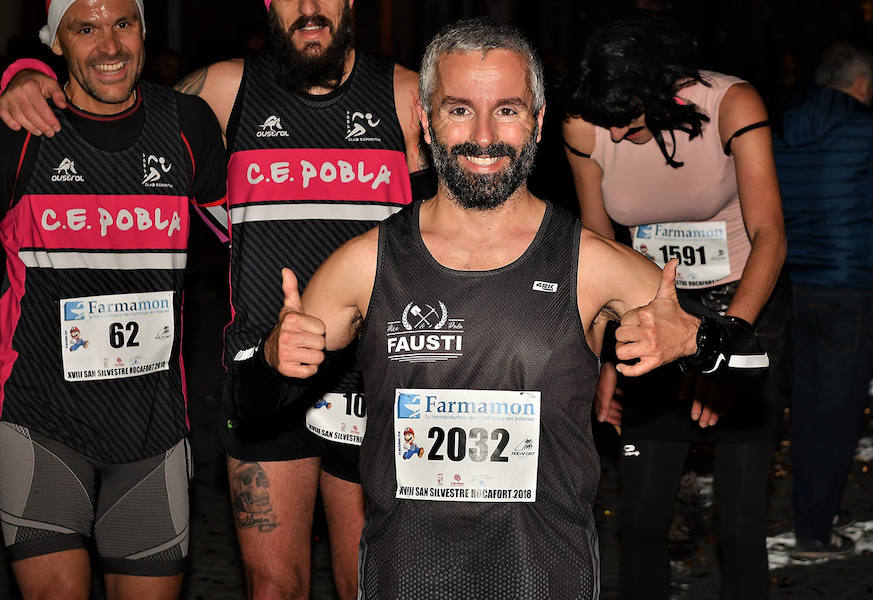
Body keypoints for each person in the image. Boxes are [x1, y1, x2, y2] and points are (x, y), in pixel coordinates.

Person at [231, 17, 769, 598]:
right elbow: (251, 412)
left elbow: (753, 361)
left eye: (507, 110)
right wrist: (269, 360)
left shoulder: (589, 263)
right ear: (426, 122)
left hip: (545, 578)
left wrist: (697, 342)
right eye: (459, 109)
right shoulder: (366, 265)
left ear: (538, 123)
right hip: (405, 579)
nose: (483, 136)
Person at [0, 2, 429, 597]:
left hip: (372, 377)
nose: (309, 8)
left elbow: (469, 199)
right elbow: (116, 106)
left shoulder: (410, 96)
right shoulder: (221, 92)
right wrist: (21, 68)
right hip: (262, 371)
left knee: (372, 584)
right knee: (273, 587)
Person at [0, 1, 226, 598]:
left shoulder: (186, 124)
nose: (109, 46)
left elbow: (248, 235)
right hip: (39, 424)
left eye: (123, 23)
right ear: (56, 43)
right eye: (86, 27)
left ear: (144, 30)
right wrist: (12, 71)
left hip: (152, 435)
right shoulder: (19, 129)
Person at [563, 12, 787, 600]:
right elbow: (601, 247)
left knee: (738, 528)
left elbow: (771, 236)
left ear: (665, 87)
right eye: (605, 122)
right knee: (638, 522)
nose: (612, 137)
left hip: (744, 311)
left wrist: (723, 351)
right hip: (649, 316)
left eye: (628, 121)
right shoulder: (588, 125)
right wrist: (603, 361)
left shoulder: (732, 104)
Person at [772, 42, 873, 559]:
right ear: (862, 83)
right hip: (848, 285)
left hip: (788, 286)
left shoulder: (778, 125)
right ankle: (814, 532)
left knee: (805, 408)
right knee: (838, 412)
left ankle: (812, 514)